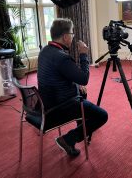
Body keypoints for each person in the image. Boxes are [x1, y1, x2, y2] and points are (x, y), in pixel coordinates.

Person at [37, 18, 108, 157]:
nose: (73, 36)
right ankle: (68, 139)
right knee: (102, 115)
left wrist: (76, 84)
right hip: (58, 108)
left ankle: (82, 128)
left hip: (45, 103)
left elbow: (59, 75)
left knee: (82, 91)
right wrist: (83, 55)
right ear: (65, 36)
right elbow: (84, 78)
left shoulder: (45, 51)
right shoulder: (61, 57)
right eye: (72, 33)